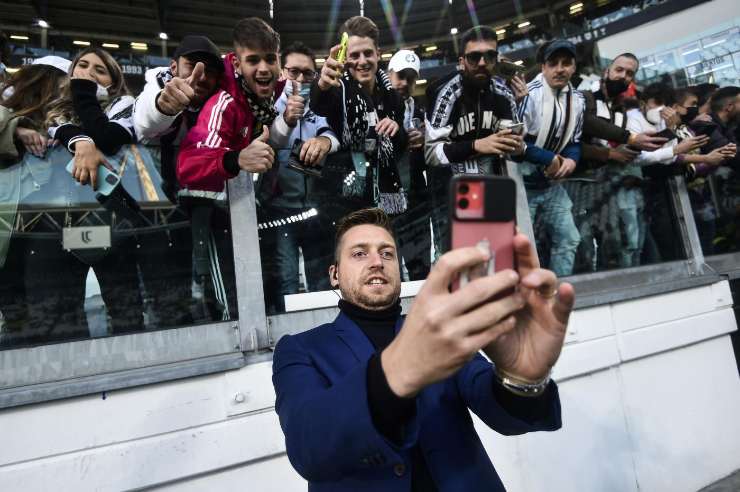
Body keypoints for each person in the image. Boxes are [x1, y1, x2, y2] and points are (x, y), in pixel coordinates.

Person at [273, 208, 574, 491]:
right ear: (334, 274)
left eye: (387, 253)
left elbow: (501, 414)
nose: (377, 261)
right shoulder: (300, 349)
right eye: (360, 253)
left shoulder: (443, 328)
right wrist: (398, 370)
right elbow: (308, 445)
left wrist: (521, 379)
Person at [17, 48, 144, 342]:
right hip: (55, 224)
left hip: (111, 223)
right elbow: (57, 127)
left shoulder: (125, 105)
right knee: (57, 316)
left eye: (99, 70)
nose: (88, 72)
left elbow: (107, 138)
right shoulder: (53, 109)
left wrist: (83, 98)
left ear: (113, 82)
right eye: (82, 66)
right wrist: (80, 140)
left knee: (127, 312)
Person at [176, 18, 294, 320]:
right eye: (253, 60)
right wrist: (236, 159)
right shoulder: (225, 102)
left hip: (243, 208)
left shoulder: (272, 89)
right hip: (209, 210)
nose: (264, 68)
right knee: (228, 302)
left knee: (263, 290)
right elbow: (189, 164)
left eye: (270, 58)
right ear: (237, 64)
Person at [132, 34, 226, 325]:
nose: (202, 76)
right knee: (167, 290)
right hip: (158, 211)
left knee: (209, 281)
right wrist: (165, 106)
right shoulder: (157, 89)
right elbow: (146, 119)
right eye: (193, 65)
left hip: (208, 209)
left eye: (211, 71)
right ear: (173, 67)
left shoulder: (221, 103)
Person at [425, 25, 524, 256]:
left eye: (489, 55)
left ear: (496, 59)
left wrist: (517, 146)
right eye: (474, 56)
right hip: (452, 191)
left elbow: (516, 147)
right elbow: (431, 153)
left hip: (492, 187)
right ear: (462, 61)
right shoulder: (447, 92)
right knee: (456, 261)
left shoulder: (503, 93)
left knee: (497, 258)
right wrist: (477, 145)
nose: (482, 62)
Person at [258, 41, 340, 312]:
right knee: (287, 281)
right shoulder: (266, 107)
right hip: (280, 213)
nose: (301, 79)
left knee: (320, 282)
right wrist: (285, 120)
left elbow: (331, 135)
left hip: (313, 212)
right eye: (294, 72)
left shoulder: (314, 109)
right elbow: (262, 149)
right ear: (282, 72)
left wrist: (325, 143)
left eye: (308, 74)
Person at [0, 62, 70, 345]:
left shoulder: (59, 121)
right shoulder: (11, 115)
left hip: (41, 221)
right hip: (18, 217)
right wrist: (15, 128)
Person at [311, 16, 408, 218]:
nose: (362, 62)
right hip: (341, 200)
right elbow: (319, 105)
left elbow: (400, 149)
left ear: (378, 54)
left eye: (368, 54)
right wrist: (322, 85)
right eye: (354, 55)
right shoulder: (337, 89)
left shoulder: (394, 99)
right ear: (345, 58)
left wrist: (396, 130)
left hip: (385, 201)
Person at [515, 40, 584, 277]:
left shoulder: (578, 100)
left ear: (574, 67)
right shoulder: (529, 94)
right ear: (543, 67)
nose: (560, 69)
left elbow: (575, 140)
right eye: (553, 63)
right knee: (523, 249)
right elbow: (515, 143)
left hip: (552, 185)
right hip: (522, 184)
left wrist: (572, 161)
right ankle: (526, 300)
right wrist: (549, 159)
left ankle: (558, 290)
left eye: (566, 63)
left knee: (569, 238)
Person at [387, 49, 431, 280]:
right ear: (388, 74)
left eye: (411, 78)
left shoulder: (423, 111)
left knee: (421, 268)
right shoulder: (376, 105)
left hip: (415, 196)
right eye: (400, 76)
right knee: (388, 268)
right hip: (386, 196)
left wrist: (424, 144)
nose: (404, 83)